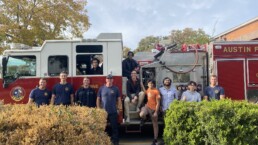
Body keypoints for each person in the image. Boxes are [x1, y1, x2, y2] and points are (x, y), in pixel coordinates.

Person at [97, 74, 122, 145]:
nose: (109, 80)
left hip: (113, 111)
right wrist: (99, 109)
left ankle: (115, 142)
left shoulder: (116, 88)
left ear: (112, 80)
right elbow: (98, 99)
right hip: (103, 112)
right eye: (108, 79)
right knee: (103, 128)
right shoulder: (101, 88)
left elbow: (119, 99)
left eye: (111, 79)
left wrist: (119, 109)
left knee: (114, 128)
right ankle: (103, 141)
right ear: (106, 80)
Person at [139, 80, 161, 145]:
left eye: (151, 83)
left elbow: (158, 103)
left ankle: (155, 139)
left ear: (153, 84)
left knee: (155, 124)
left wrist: (156, 112)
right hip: (147, 107)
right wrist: (142, 85)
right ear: (148, 84)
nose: (150, 84)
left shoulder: (156, 91)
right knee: (141, 114)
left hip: (154, 109)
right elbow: (145, 92)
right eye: (149, 83)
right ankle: (145, 118)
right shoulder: (148, 89)